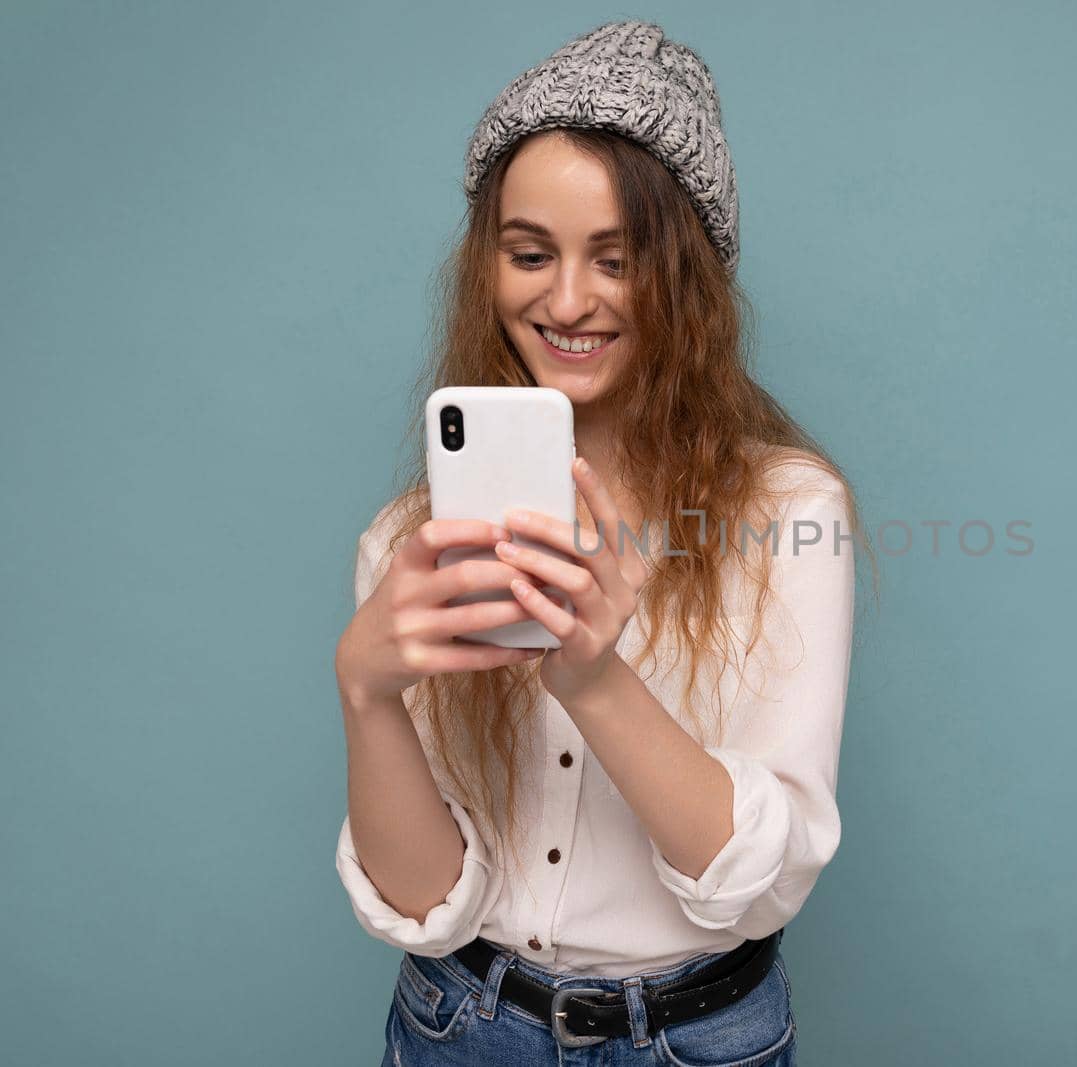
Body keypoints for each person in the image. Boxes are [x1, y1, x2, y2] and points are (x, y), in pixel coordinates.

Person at [331, 20, 872, 1066]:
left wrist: (594, 679)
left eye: (615, 260)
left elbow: (758, 882)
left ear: (687, 279)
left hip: (695, 1036)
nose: (566, 300)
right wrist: (365, 694)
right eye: (530, 252)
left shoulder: (789, 510)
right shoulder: (414, 540)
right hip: (458, 1026)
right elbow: (421, 903)